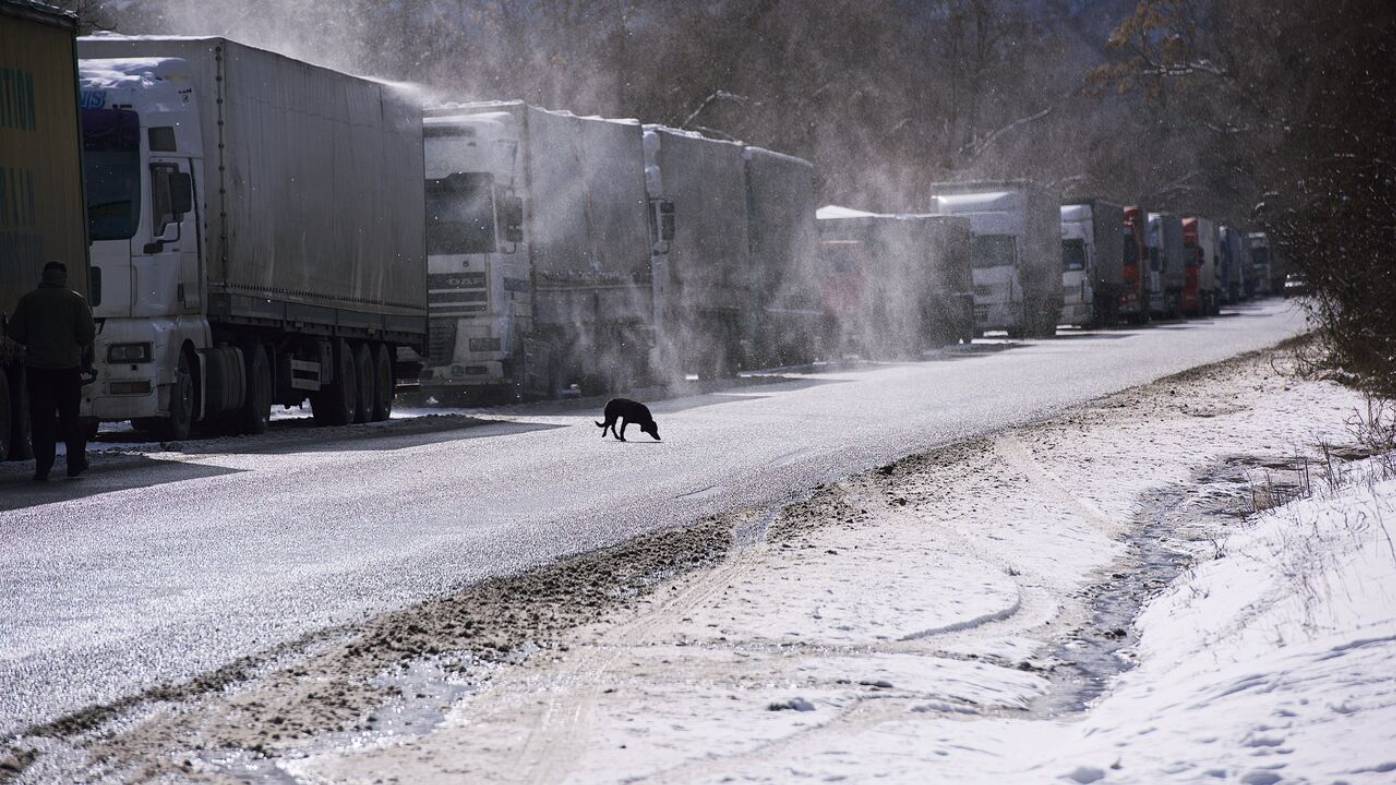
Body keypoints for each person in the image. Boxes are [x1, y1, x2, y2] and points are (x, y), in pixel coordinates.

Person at [8, 261, 96, 481]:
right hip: (68, 370)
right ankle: (75, 463)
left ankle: (43, 467)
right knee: (70, 420)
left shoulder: (29, 301)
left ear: (44, 276)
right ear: (64, 277)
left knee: (41, 420)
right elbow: (86, 334)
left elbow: (15, 332)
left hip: (39, 370)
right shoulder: (75, 300)